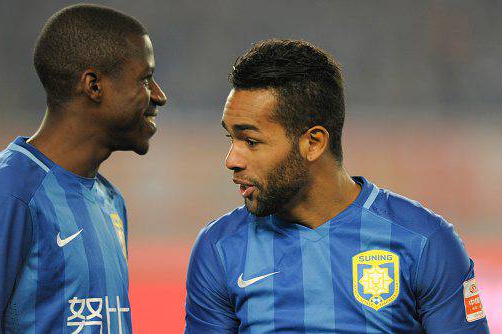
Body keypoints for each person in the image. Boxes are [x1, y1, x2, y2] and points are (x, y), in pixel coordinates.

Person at [184, 39, 488, 333]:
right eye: (231, 139)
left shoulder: (424, 242)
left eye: (251, 141)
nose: (231, 159)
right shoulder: (219, 249)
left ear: (313, 143)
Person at [0, 4, 166, 333]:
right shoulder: (4, 195)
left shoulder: (111, 201)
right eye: (146, 79)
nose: (159, 96)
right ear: (93, 85)